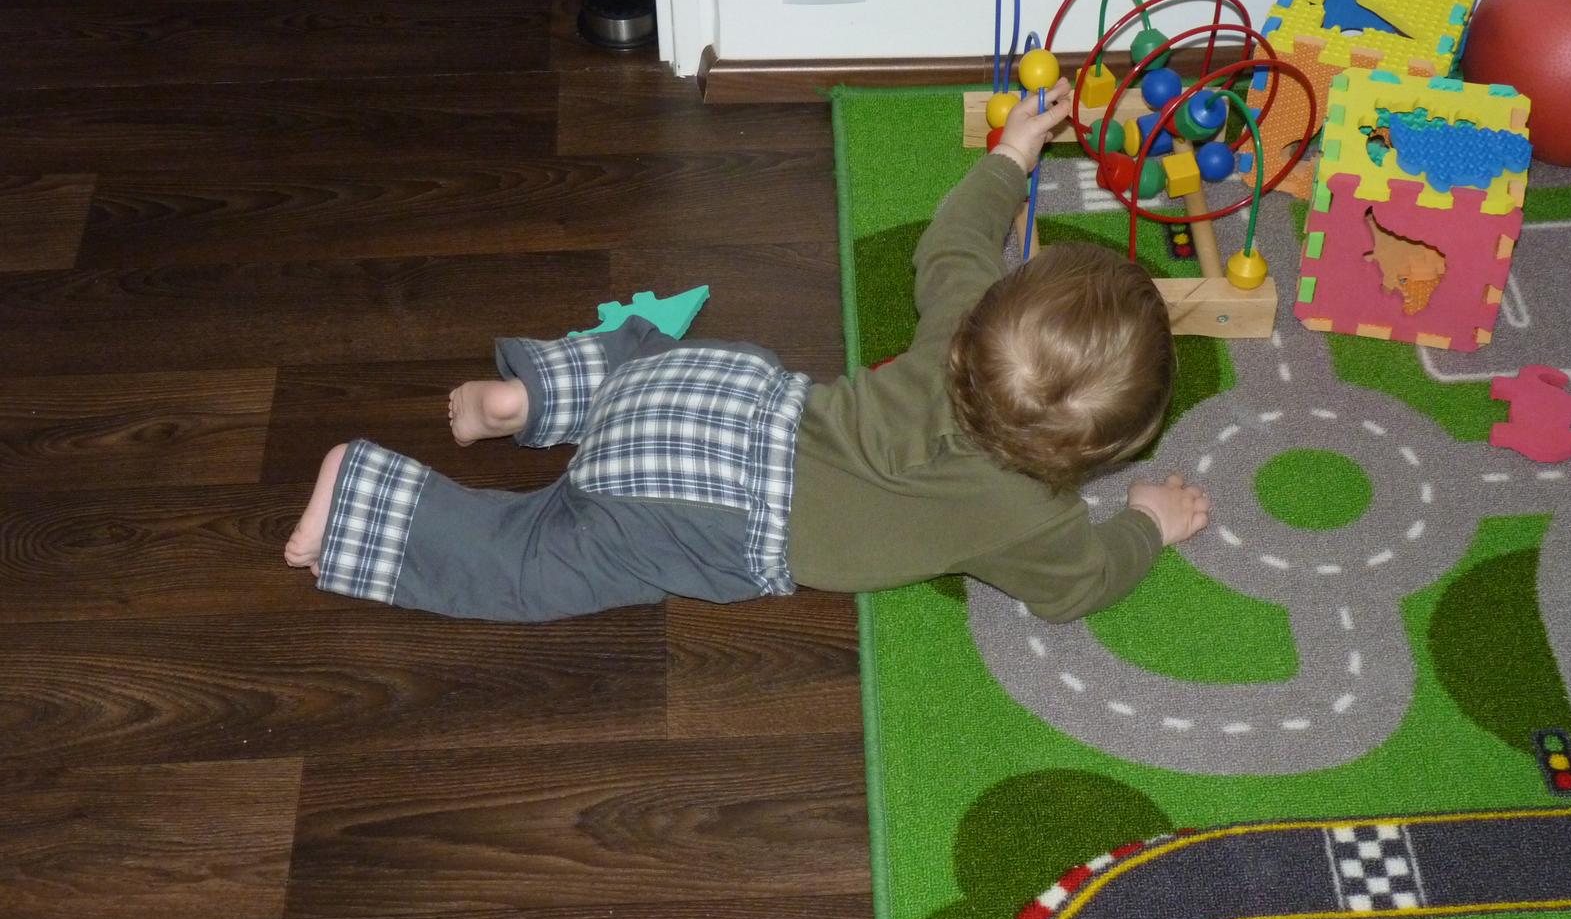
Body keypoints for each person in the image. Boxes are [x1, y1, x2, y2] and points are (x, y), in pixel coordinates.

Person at [284, 78, 1210, 623]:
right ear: (1100, 454)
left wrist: (1011, 156)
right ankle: (358, 502)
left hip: (722, 392)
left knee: (638, 360)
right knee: (529, 558)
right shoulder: (1033, 520)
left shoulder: (964, 321)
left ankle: (532, 398)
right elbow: (1078, 587)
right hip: (706, 516)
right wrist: (1147, 523)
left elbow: (954, 241)